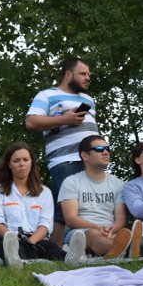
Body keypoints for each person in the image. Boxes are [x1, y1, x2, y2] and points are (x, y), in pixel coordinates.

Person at [25, 57, 100, 246]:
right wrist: (64, 119)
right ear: (68, 75)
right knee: (63, 210)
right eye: (83, 73)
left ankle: (89, 248)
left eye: (88, 74)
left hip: (92, 161)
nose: (87, 78)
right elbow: (31, 122)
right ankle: (55, 252)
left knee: (91, 207)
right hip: (65, 160)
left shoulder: (88, 100)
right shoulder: (47, 95)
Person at [0, 141, 74, 267]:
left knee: (53, 251)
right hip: (6, 239)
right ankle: (23, 259)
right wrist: (13, 240)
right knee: (8, 249)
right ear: (9, 164)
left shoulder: (44, 192)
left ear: (31, 162)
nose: (21, 164)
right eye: (16, 161)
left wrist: (29, 242)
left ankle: (70, 257)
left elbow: (45, 225)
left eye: (25, 160)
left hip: (36, 239)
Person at [59, 135, 133, 259]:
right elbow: (71, 219)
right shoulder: (71, 182)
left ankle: (117, 248)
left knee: (121, 234)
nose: (105, 152)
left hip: (110, 232)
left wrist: (110, 231)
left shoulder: (118, 184)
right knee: (92, 234)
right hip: (79, 232)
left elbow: (121, 219)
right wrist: (97, 228)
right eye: (99, 149)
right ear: (84, 155)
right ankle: (126, 249)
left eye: (107, 148)